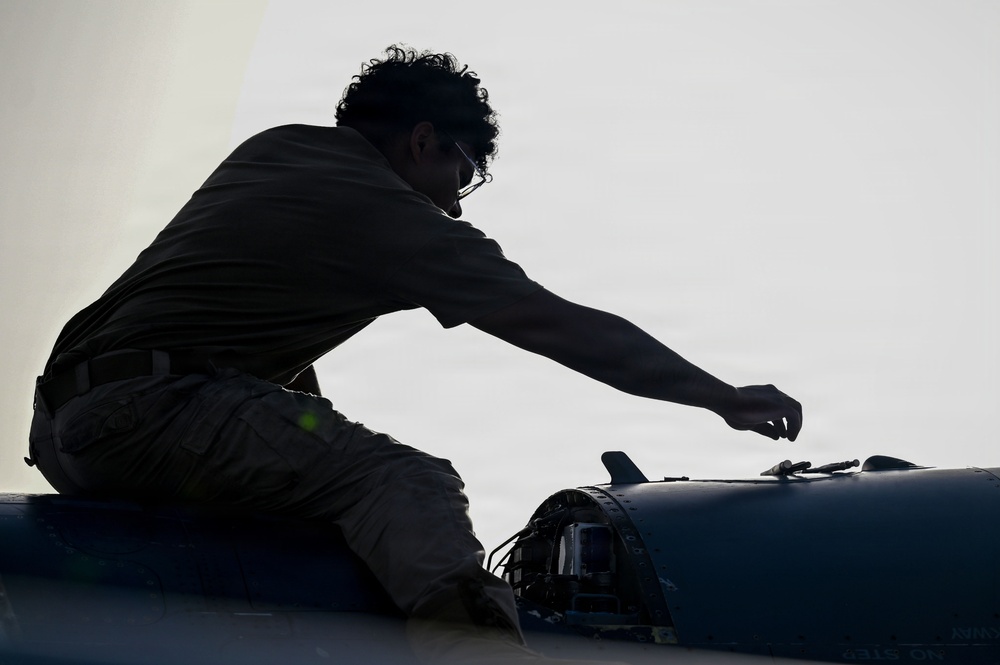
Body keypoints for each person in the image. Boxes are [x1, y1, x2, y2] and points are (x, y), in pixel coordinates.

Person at [28, 46, 802, 664]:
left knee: (314, 454)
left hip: (67, 424)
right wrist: (719, 396)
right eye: (460, 174)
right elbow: (558, 325)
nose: (456, 203)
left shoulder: (277, 152)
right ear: (423, 140)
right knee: (404, 478)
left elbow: (241, 316)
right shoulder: (388, 211)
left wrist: (309, 413)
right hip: (151, 417)